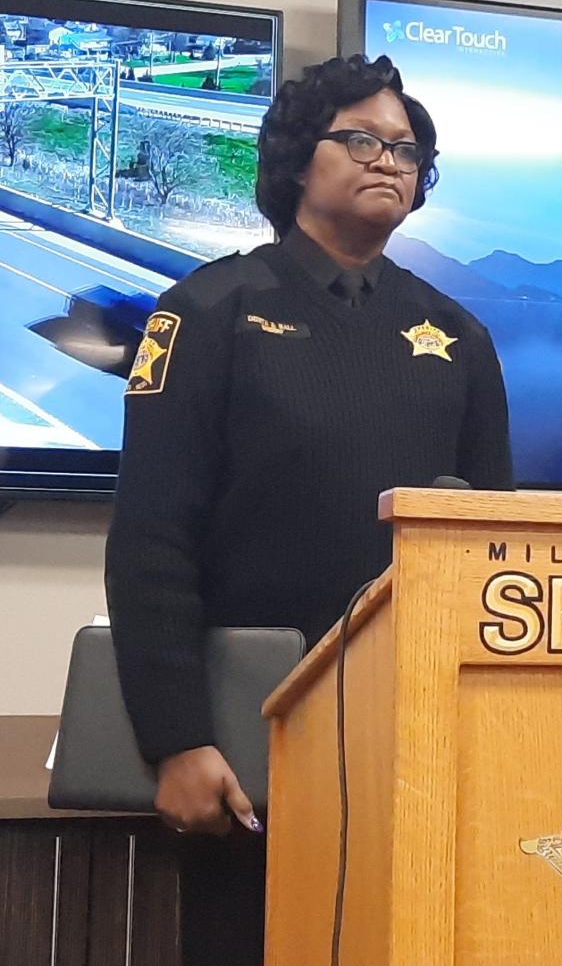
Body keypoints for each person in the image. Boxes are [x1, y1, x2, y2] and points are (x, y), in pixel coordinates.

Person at [106, 53, 514, 966]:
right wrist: (176, 739)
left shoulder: (459, 335)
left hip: (416, 744)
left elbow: (493, 555)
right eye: (360, 139)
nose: (387, 161)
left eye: (407, 150)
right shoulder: (207, 311)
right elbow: (150, 538)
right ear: (296, 160)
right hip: (253, 746)